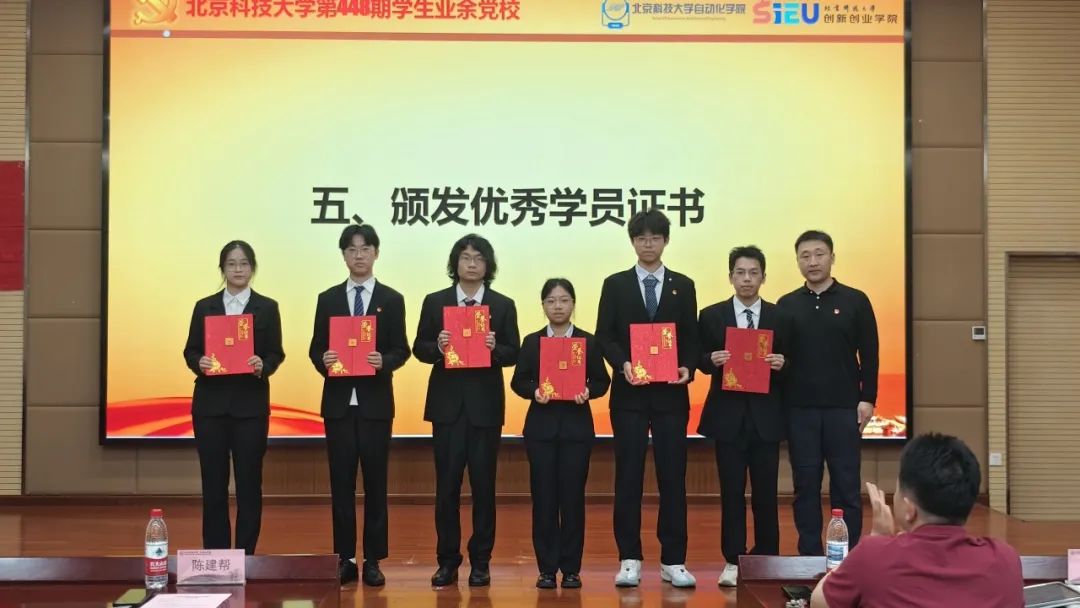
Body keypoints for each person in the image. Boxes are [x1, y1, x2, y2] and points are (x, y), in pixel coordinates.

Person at [595, 209, 700, 588]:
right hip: (630, 396)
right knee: (628, 477)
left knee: (673, 477)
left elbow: (691, 337)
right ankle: (629, 558)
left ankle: (674, 560)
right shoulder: (615, 284)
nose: (648, 244)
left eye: (655, 237)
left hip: (671, 396)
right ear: (633, 242)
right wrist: (622, 363)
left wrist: (688, 366)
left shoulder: (683, 285)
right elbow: (604, 335)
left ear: (666, 240)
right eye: (641, 238)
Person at [413, 234, 521, 587]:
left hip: (485, 409)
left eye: (478, 258)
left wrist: (495, 347)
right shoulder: (435, 302)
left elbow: (514, 352)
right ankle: (447, 561)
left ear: (488, 265)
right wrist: (438, 346)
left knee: (483, 488)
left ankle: (481, 561)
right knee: (446, 488)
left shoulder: (502, 305)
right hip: (447, 409)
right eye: (465, 257)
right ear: (455, 263)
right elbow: (419, 347)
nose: (472, 264)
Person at [811, 433, 1023, 607]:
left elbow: (819, 602)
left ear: (909, 510)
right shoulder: (1005, 560)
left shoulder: (873, 556)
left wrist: (877, 537)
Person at [309, 223, 411, 586]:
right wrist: (325, 359)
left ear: (376, 253)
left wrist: (385, 360)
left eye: (365, 249)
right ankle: (345, 558)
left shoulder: (391, 299)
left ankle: (373, 560)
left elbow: (402, 349)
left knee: (376, 485)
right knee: (341, 485)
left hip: (375, 405)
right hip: (338, 406)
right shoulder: (328, 299)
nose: (359, 255)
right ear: (343, 255)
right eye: (351, 249)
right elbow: (315, 349)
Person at [777, 230, 879, 555]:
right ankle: (809, 555)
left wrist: (868, 398)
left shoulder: (855, 300)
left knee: (846, 486)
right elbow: (780, 359)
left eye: (819, 254)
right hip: (800, 411)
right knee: (805, 486)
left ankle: (846, 557)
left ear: (832, 257)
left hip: (843, 409)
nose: (813, 261)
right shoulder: (786, 305)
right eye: (805, 256)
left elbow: (870, 353)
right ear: (797, 261)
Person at [182, 240, 285, 555]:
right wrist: (198, 362)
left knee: (249, 485)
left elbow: (276, 353)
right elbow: (191, 350)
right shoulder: (205, 307)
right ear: (222, 268)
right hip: (210, 408)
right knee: (213, 485)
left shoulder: (267, 307)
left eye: (244, 263)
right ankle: (216, 555)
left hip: (250, 408)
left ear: (252, 268)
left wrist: (262, 365)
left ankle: (244, 554)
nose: (238, 269)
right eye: (231, 263)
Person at [696, 245, 790, 587]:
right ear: (730, 276)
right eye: (740, 273)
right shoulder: (711, 315)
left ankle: (766, 558)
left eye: (753, 273)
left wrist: (782, 363)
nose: (747, 279)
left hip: (766, 418)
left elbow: (794, 360)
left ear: (763, 277)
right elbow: (696, 357)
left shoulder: (780, 316)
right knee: (731, 493)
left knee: (766, 494)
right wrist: (710, 360)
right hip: (728, 419)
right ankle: (733, 560)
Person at [510, 278, 611, 590]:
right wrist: (534, 391)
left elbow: (602, 381)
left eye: (564, 300)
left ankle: (570, 569)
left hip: (576, 432)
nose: (557, 306)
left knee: (572, 501)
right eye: (551, 301)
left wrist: (588, 391)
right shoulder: (532, 342)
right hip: (540, 432)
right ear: (543, 305)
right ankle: (546, 569)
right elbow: (518, 381)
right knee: (543, 500)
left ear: (573, 304)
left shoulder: (588, 342)